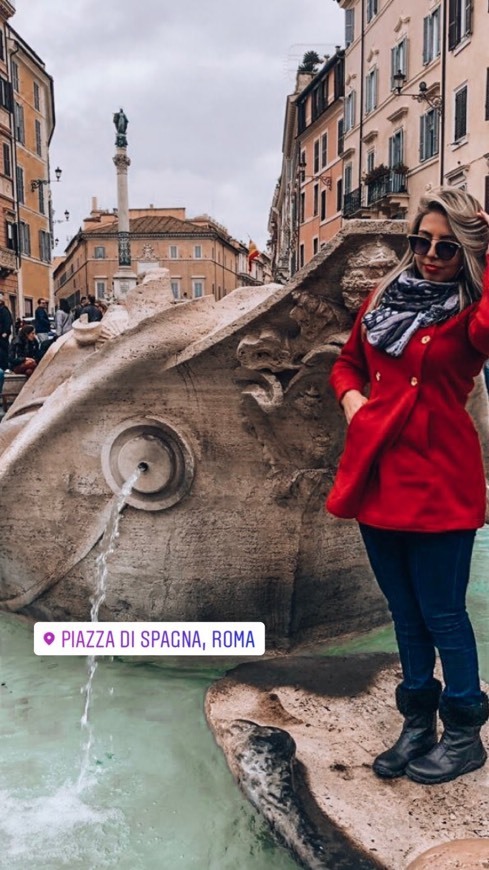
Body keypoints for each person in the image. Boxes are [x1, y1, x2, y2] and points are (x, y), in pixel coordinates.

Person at [326, 188, 489, 786]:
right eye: (421, 241)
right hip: (379, 477)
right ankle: (418, 723)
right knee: (405, 612)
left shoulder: (471, 311)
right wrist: (353, 401)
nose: (430, 255)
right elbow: (346, 362)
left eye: (447, 247)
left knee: (444, 612)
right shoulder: (385, 297)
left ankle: (465, 733)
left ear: (468, 251)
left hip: (441, 481)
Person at [0, 292, 13, 371]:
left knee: (3, 351)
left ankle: (5, 367)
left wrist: (5, 332)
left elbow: (8, 321)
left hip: (2, 334)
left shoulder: (4, 310)